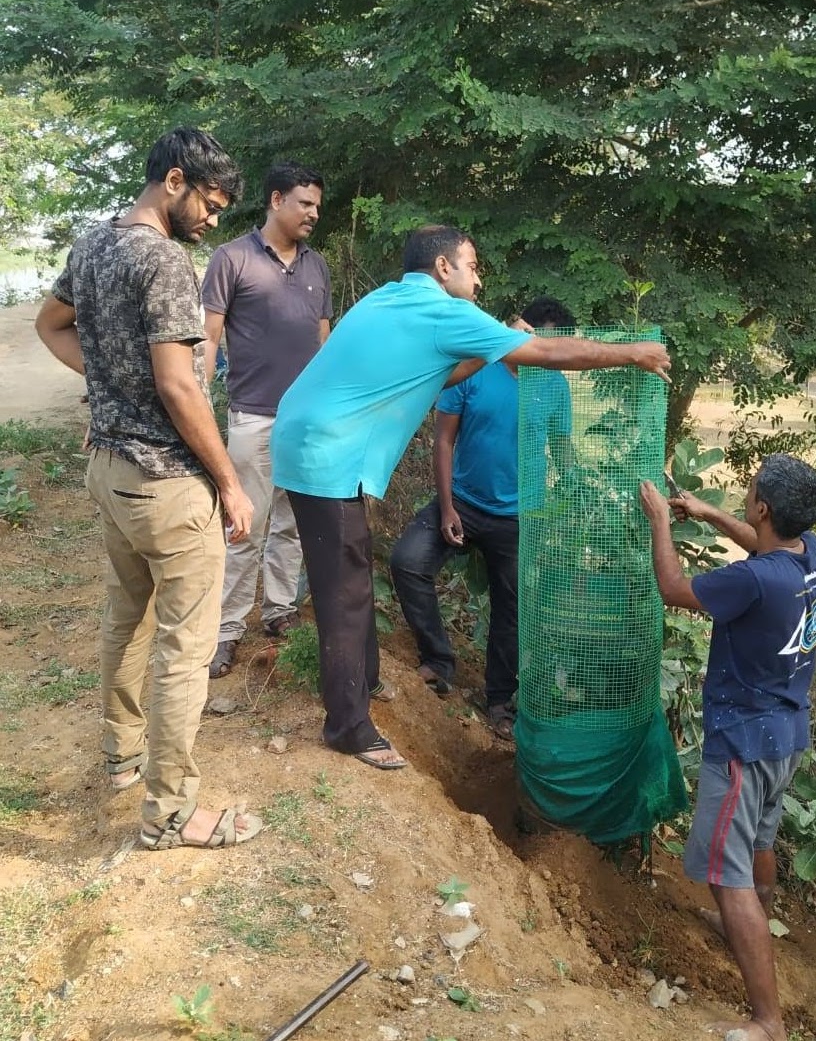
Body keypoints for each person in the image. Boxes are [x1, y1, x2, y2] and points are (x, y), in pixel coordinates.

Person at [271, 224, 671, 772]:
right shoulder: (442, 312)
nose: (478, 279)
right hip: (326, 455)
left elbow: (441, 371)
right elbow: (547, 351)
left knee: (353, 574)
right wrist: (632, 354)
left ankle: (362, 684)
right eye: (473, 265)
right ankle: (348, 728)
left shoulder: (388, 298)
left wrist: (491, 344)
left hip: (312, 441)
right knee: (342, 593)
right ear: (443, 268)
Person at [35, 127, 263, 851]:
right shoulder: (164, 261)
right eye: (211, 202)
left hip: (108, 472)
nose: (214, 219)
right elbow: (176, 383)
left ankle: (120, 755)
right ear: (174, 181)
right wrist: (228, 481)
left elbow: (51, 326)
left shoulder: (94, 244)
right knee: (183, 645)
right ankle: (170, 814)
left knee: (125, 616)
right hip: (165, 484)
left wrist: (107, 388)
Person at [639, 454, 816, 1041]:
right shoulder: (807, 554)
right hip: (787, 735)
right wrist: (707, 511)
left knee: (725, 873)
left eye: (749, 495)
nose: (746, 500)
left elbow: (673, 589)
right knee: (761, 837)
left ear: (764, 506)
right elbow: (760, 543)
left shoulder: (751, 580)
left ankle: (767, 1022)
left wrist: (661, 522)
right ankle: (747, 923)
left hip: (744, 743)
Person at [389, 296, 577, 740]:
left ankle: (499, 700)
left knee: (510, 609)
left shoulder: (554, 386)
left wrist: (573, 506)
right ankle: (438, 661)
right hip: (463, 502)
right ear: (523, 330)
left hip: (518, 518)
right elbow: (443, 442)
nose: (546, 355)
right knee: (407, 561)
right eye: (541, 342)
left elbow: (564, 455)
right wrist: (448, 507)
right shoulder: (477, 367)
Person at [202, 160, 332, 678]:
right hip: (252, 417)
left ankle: (279, 611)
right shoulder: (231, 258)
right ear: (276, 200)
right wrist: (196, 398)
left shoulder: (316, 266)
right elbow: (207, 339)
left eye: (317, 206)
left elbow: (322, 342)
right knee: (244, 526)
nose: (313, 214)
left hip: (304, 421)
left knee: (292, 524)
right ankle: (227, 630)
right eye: (305, 203)